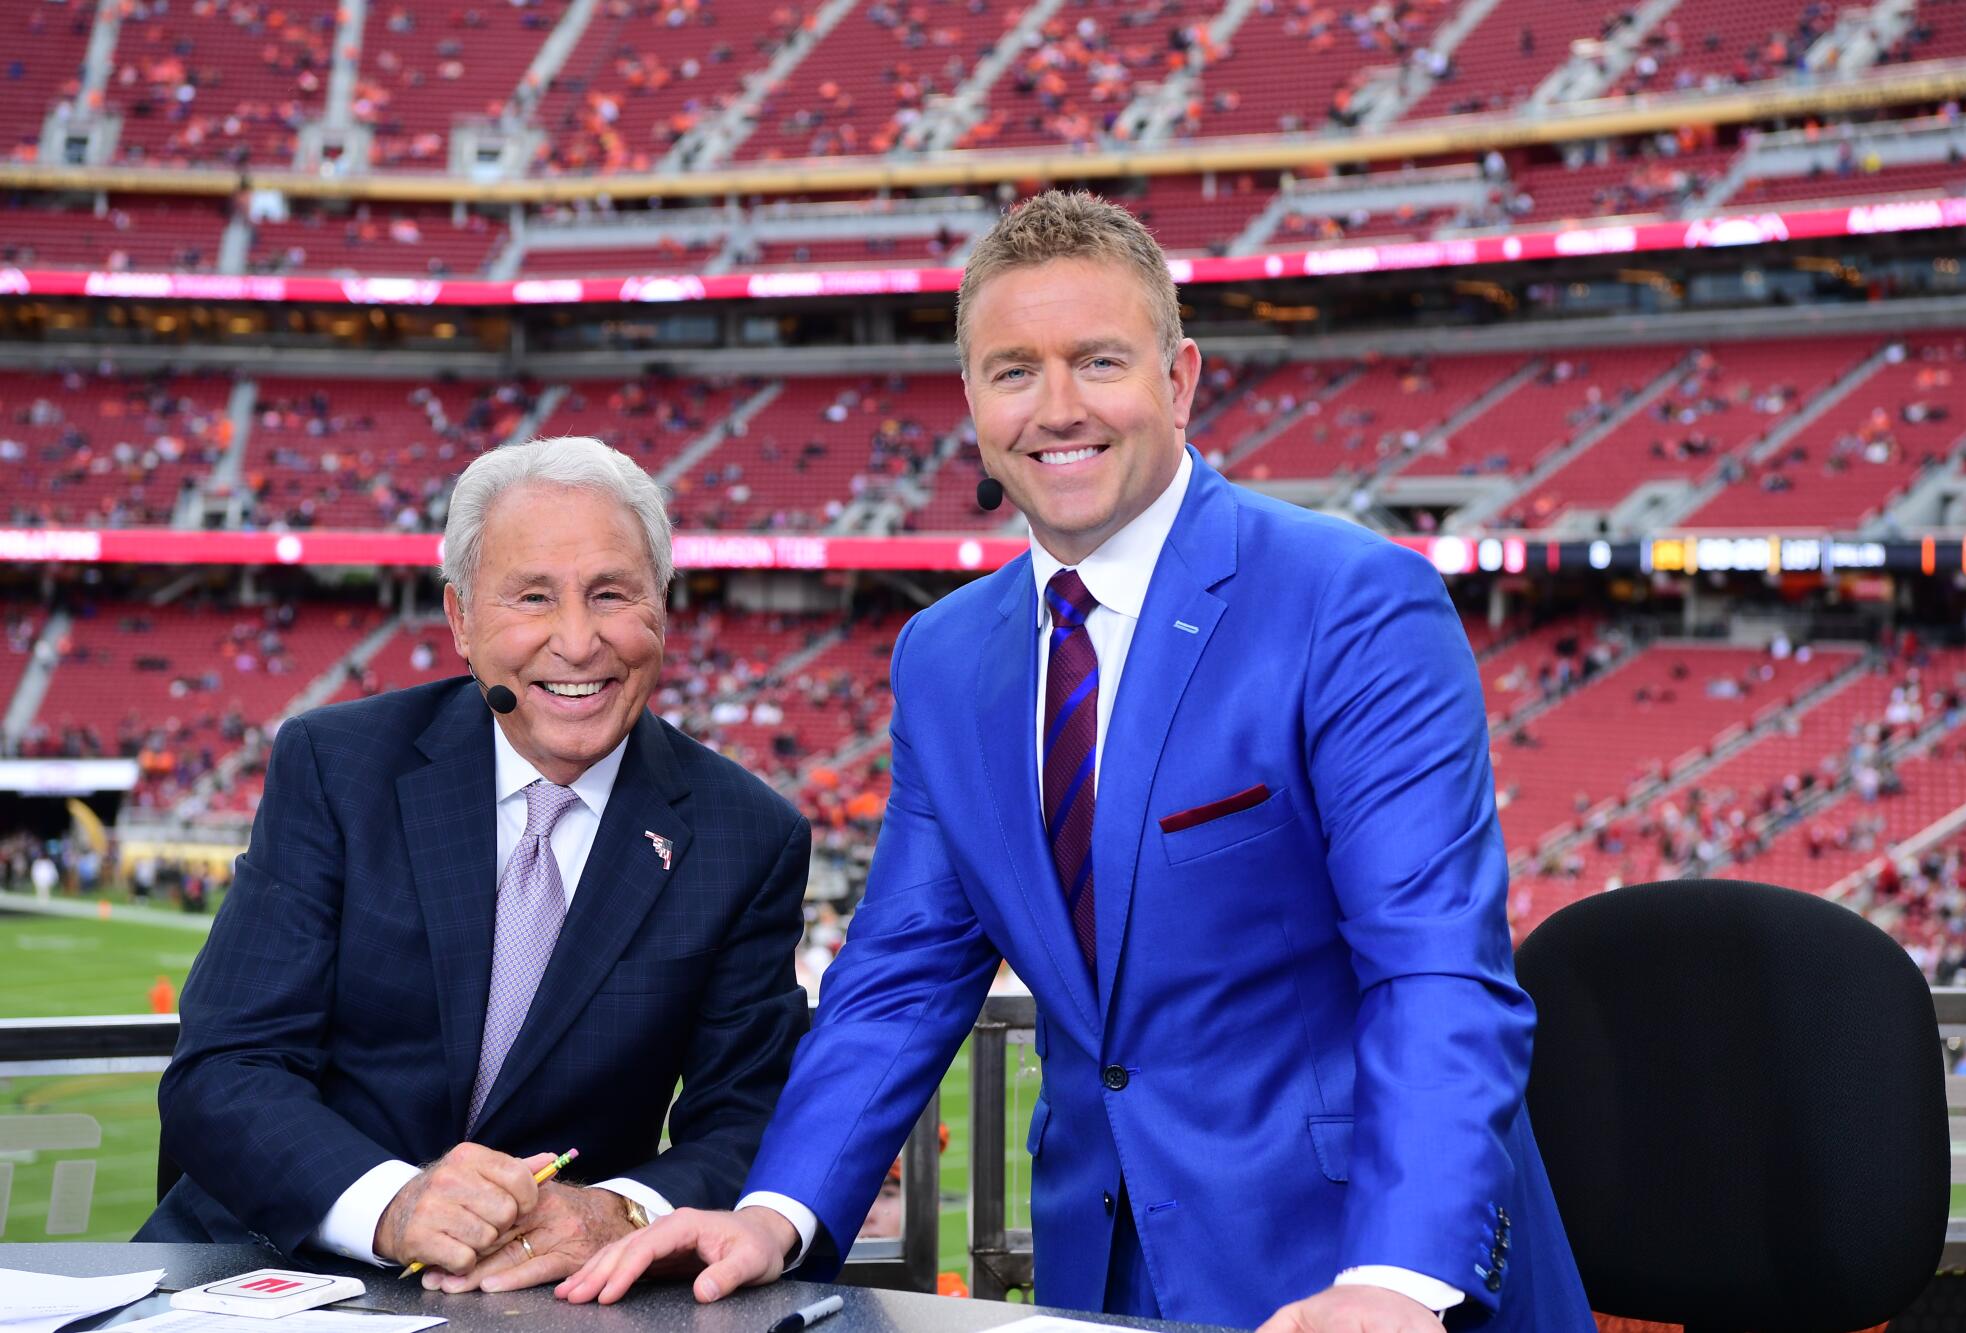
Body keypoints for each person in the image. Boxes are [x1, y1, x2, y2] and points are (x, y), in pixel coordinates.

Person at [559, 193, 1592, 1331]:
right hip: (1101, 1273)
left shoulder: (1349, 600)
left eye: (1096, 360)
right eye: (1012, 371)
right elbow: (900, 975)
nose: (1055, 409)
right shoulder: (944, 658)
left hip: (1351, 1266)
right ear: (970, 402)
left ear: (1179, 378)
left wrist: (1396, 1277)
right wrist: (775, 1212)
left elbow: (1434, 972)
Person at [138, 436, 811, 1297]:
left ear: (663, 608)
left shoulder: (748, 834)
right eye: (533, 596)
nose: (578, 641)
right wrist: (393, 1204)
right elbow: (224, 1069)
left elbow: (748, 1115)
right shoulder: (336, 766)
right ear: (459, 619)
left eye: (611, 593)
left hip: (547, 1298)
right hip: (270, 1264)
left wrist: (615, 1213)